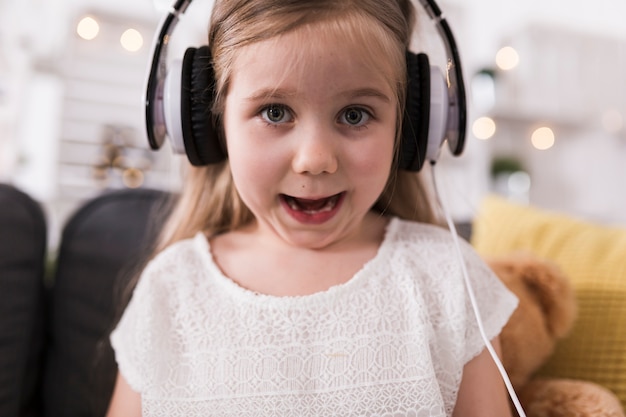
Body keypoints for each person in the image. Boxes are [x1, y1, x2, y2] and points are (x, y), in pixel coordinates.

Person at [106, 0, 518, 416]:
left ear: (411, 125)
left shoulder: (448, 280)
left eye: (355, 115)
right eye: (275, 112)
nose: (315, 158)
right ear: (212, 123)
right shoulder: (170, 289)